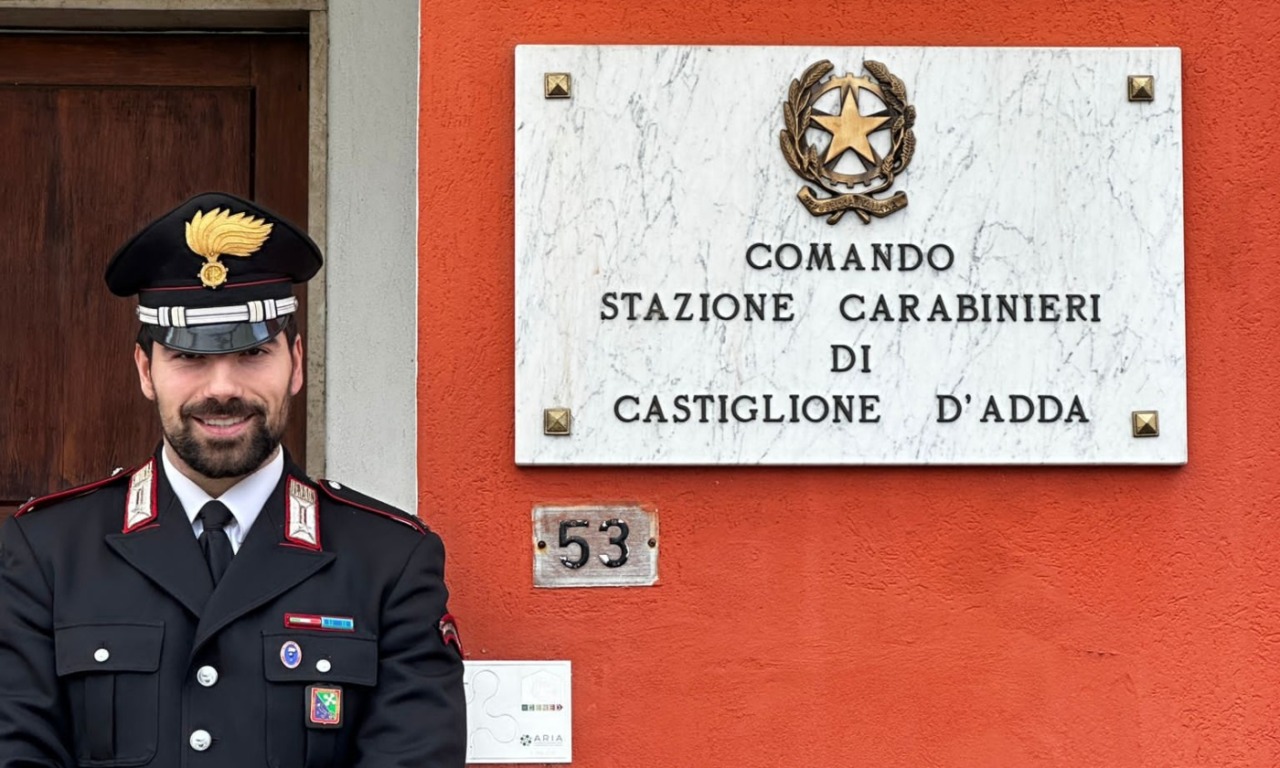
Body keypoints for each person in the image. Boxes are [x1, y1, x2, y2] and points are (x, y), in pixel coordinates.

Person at [0, 192, 466, 767]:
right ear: (146, 371)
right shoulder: (44, 553)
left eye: (252, 353)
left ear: (296, 363)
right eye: (189, 358)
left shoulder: (389, 560)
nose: (222, 388)